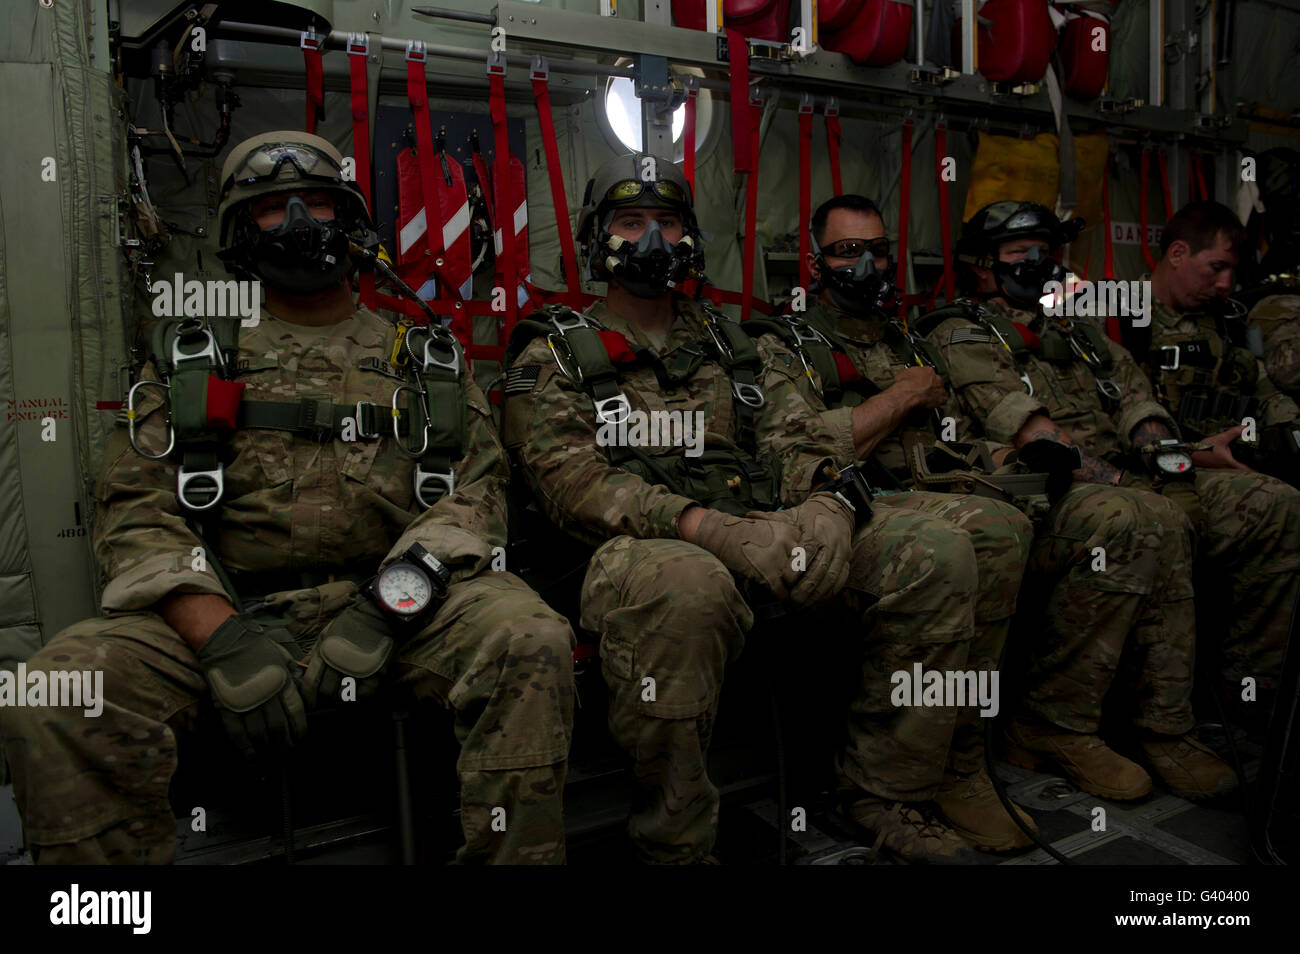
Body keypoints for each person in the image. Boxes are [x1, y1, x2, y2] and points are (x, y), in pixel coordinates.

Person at [0, 131, 575, 864]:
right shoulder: (194, 358)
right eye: (274, 208)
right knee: (51, 695)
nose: (303, 221)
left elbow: (478, 494)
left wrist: (387, 608)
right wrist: (220, 635)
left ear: (354, 223)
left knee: (532, 638)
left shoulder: (423, 359)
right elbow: (135, 510)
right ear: (242, 231)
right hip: (230, 610)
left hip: (404, 608)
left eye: (320, 204)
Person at [504, 154, 1034, 864]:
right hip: (641, 548)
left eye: (667, 222)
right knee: (689, 586)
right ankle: (676, 843)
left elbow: (798, 438)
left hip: (768, 525)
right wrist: (706, 528)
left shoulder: (734, 344)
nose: (652, 240)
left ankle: (884, 789)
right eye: (631, 223)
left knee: (940, 551)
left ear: (691, 237)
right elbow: (575, 490)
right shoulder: (554, 355)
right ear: (598, 240)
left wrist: (829, 504)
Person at [927, 200, 1300, 764]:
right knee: (1151, 518)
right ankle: (1112, 726)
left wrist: (1170, 459)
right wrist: (1136, 482)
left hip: (1130, 473)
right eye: (1017, 253)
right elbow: (1037, 437)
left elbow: (1136, 400)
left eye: (1045, 251)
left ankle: (1244, 694)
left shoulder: (1078, 328)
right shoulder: (960, 332)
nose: (1037, 261)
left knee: (1274, 503)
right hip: (1048, 490)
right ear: (981, 265)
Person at [740, 194, 1043, 845]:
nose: (866, 263)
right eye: (848, 250)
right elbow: (800, 454)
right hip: (830, 514)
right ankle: (882, 791)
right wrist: (904, 393)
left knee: (1003, 529)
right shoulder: (778, 344)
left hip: (916, 499)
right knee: (942, 548)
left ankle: (959, 766)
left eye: (877, 250)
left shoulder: (906, 339)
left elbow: (953, 440)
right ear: (815, 263)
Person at [1137, 201, 1300, 483]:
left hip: (1234, 461)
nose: (1225, 283)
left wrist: (1291, 431)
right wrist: (1194, 452)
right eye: (1216, 267)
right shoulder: (1120, 320)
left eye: (1231, 271)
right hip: (1159, 470)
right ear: (1177, 254)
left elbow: (1265, 394)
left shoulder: (1229, 321)